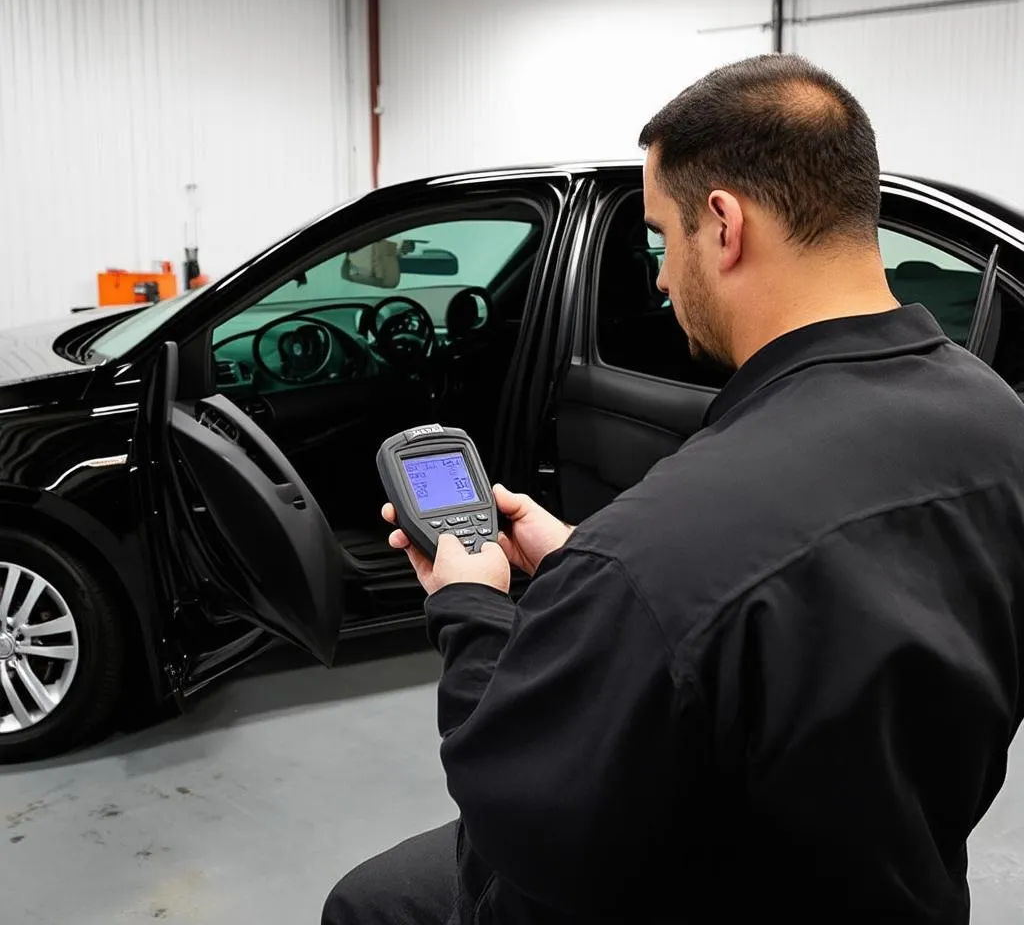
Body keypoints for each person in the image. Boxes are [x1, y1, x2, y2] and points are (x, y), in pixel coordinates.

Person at [322, 54, 1024, 924]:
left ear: (724, 226)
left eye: (660, 237)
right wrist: (584, 560)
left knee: (368, 903)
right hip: (894, 880)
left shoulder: (657, 549)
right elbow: (824, 615)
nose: (658, 275)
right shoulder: (999, 422)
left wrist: (470, 606)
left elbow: (524, 820)